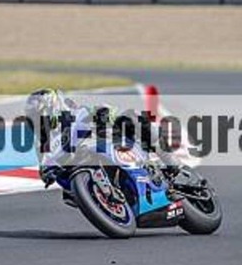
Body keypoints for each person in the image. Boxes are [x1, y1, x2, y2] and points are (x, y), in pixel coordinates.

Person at [24, 88, 187, 208]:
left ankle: (171, 162)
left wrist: (105, 114)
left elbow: (100, 110)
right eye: (33, 119)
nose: (38, 122)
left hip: (110, 140)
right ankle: (103, 202)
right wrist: (47, 173)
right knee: (68, 195)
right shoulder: (43, 144)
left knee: (132, 117)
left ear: (51, 108)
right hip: (80, 163)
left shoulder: (75, 113)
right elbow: (44, 165)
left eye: (39, 116)